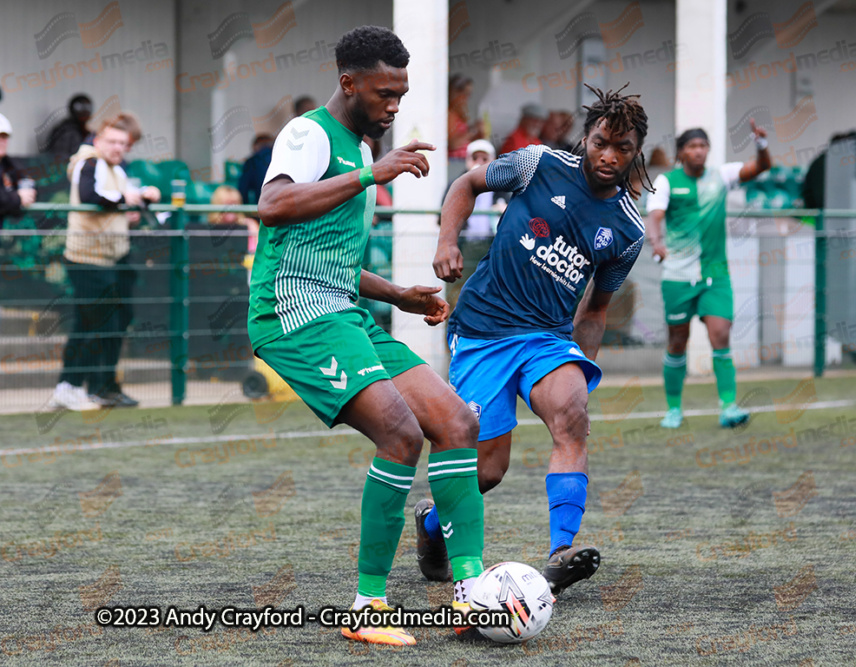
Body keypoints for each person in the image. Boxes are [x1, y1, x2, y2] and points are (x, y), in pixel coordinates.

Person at [251, 25, 484, 646]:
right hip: (292, 315)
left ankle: (470, 593)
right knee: (401, 434)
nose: (394, 106)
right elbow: (273, 209)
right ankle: (366, 605)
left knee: (458, 422)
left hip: (343, 309)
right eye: (384, 93)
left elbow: (327, 261)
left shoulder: (356, 147)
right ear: (348, 83)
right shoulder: (309, 133)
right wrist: (372, 174)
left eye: (401, 94)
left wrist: (400, 295)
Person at [423, 84, 653, 596]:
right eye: (600, 143)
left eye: (623, 149)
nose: (609, 156)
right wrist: (446, 241)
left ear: (638, 154)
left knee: (572, 418)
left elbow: (595, 309)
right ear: (586, 139)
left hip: (547, 338)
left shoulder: (628, 229)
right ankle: (433, 522)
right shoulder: (537, 163)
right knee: (488, 470)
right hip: (482, 330)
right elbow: (467, 184)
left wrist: (579, 369)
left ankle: (559, 552)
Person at [646, 124, 771, 429]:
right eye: (692, 146)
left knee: (721, 335)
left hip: (715, 275)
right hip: (678, 276)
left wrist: (762, 142)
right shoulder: (666, 181)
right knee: (677, 341)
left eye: (703, 145)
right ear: (681, 152)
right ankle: (673, 409)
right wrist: (657, 242)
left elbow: (762, 166)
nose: (698, 150)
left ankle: (728, 407)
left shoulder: (721, 176)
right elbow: (654, 216)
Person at [49, 112, 160, 411]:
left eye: (123, 143)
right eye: (111, 141)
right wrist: (130, 198)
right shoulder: (91, 162)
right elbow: (92, 195)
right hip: (87, 260)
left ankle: (100, 387)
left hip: (112, 259)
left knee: (112, 322)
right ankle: (70, 386)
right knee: (93, 324)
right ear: (98, 141)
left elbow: (114, 203)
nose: (117, 147)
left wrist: (135, 205)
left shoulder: (117, 171)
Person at [440, 138, 507, 312]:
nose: (478, 163)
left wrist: (503, 209)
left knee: (492, 297)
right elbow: (443, 217)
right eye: (474, 158)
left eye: (484, 159)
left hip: (491, 248)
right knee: (457, 297)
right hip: (463, 247)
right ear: (467, 160)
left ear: (492, 161)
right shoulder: (456, 186)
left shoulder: (503, 187)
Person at [0, 113, 37, 227]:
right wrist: (18, 197)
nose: (2, 141)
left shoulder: (10, 164)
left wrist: (27, 193)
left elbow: (29, 185)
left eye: (4, 137)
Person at [447, 74, 483, 159]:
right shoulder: (450, 114)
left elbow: (463, 139)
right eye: (465, 93)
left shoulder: (459, 113)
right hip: (454, 161)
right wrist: (473, 130)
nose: (467, 98)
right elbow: (453, 144)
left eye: (469, 94)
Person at [237, 134, 273, 206]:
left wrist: (246, 211)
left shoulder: (251, 162)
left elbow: (243, 189)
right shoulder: (282, 160)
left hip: (263, 207)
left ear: (255, 146)